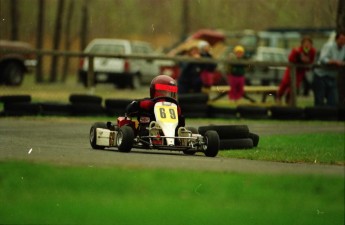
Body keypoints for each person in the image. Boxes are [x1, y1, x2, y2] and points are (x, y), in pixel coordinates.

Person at [276, 36, 316, 104]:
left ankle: (288, 100)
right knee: (285, 83)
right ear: (302, 44)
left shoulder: (312, 51)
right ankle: (278, 97)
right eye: (305, 43)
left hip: (301, 71)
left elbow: (311, 63)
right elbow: (290, 59)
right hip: (291, 70)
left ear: (311, 45)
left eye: (309, 44)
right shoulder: (297, 50)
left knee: (295, 86)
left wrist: (307, 62)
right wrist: (299, 57)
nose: (307, 45)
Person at [313, 31, 345, 106]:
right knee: (319, 100)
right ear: (336, 39)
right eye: (341, 39)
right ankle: (318, 116)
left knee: (333, 101)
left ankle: (330, 116)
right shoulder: (328, 46)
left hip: (332, 77)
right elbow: (322, 59)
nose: (343, 41)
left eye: (344, 39)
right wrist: (334, 62)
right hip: (321, 76)